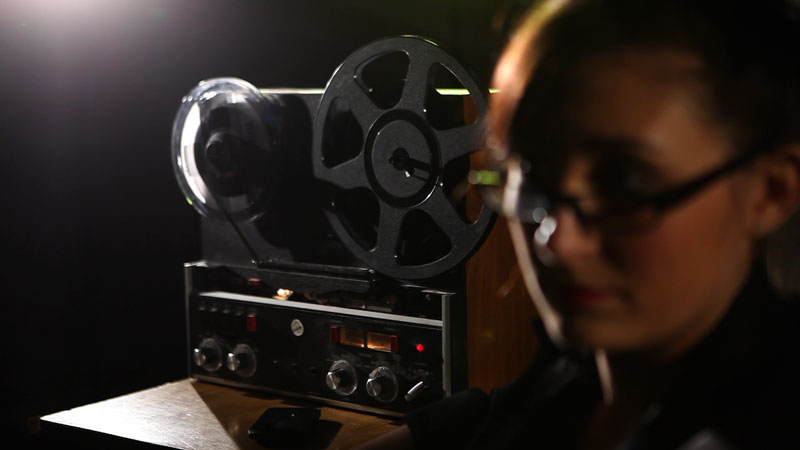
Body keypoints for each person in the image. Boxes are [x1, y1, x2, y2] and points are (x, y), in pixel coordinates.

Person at [358, 0, 800, 448]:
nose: (555, 241)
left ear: (770, 191)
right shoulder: (592, 367)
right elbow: (498, 413)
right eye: (534, 172)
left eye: (623, 182)